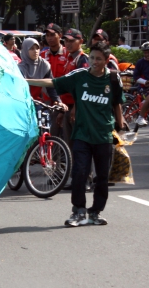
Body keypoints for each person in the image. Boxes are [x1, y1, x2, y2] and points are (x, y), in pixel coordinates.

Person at [26, 41, 125, 227]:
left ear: (106, 61)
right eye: (91, 58)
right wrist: (26, 81)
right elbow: (53, 82)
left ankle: (95, 212)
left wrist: (120, 124)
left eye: (98, 59)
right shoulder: (79, 76)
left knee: (102, 177)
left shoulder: (112, 79)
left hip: (103, 136)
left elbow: (117, 102)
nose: (94, 62)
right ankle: (78, 211)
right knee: (80, 173)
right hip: (82, 135)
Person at [18, 38, 62, 107]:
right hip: (22, 102)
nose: (35, 51)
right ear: (25, 50)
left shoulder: (44, 64)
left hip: (38, 102)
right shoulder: (20, 67)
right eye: (32, 49)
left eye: (37, 48)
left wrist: (57, 100)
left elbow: (50, 86)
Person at [133, 42, 149, 126]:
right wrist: (145, 82)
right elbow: (135, 77)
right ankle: (140, 117)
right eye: (145, 52)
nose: (147, 54)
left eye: (148, 52)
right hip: (143, 88)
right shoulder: (140, 63)